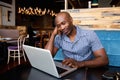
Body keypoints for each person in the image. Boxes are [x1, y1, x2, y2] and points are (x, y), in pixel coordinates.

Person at [45, 12, 109, 68]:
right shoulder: (59, 38)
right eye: (58, 26)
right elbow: (47, 57)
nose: (62, 28)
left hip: (87, 70)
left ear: (71, 20)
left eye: (63, 23)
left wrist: (81, 64)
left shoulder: (89, 35)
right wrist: (53, 35)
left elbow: (104, 60)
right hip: (68, 69)